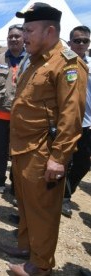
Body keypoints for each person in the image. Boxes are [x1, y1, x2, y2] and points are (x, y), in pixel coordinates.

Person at [0, 3, 87, 275]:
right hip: (24, 147)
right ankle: (27, 247)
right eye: (23, 30)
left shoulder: (69, 64)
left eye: (29, 30)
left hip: (44, 152)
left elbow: (71, 116)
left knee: (43, 212)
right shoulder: (36, 60)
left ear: (49, 31)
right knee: (26, 204)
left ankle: (40, 265)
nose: (23, 36)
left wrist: (59, 158)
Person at [0, 24, 26, 194]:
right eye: (10, 36)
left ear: (24, 38)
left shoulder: (31, 59)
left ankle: (15, 182)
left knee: (18, 152)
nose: (13, 39)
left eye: (17, 36)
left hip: (22, 117)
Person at [61, 25, 91, 218]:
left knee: (82, 164)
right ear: (70, 42)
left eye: (85, 41)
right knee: (62, 161)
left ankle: (66, 193)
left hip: (87, 123)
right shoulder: (63, 62)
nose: (81, 44)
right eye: (77, 40)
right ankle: (61, 197)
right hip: (66, 122)